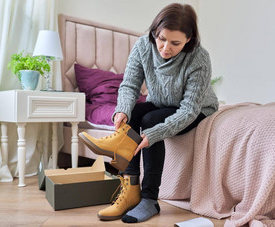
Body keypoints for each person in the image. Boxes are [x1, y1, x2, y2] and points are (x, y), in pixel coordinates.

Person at [83, 3, 218, 223]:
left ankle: (149, 199)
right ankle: (131, 189)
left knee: (151, 121)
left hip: (196, 109)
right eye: (161, 38)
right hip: (161, 102)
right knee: (134, 113)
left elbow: (189, 109)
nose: (165, 48)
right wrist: (122, 112)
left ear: (189, 39)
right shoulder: (143, 46)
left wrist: (154, 134)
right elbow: (129, 85)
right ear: (155, 32)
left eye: (175, 43)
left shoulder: (199, 58)